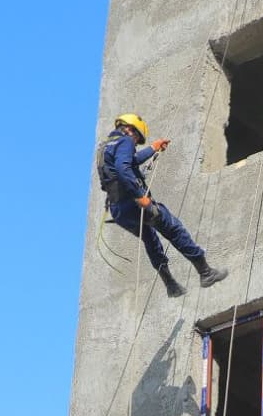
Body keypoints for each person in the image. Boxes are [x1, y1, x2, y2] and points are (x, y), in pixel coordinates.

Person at [97, 114, 228, 297]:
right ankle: (205, 272)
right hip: (133, 203)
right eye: (136, 139)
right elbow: (123, 167)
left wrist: (153, 148)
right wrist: (139, 196)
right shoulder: (126, 141)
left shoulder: (106, 146)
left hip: (119, 210)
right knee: (173, 228)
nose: (135, 144)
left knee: (150, 239)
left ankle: (170, 284)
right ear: (130, 129)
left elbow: (129, 161)